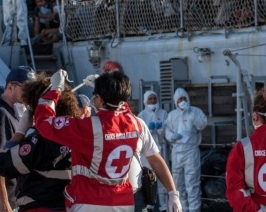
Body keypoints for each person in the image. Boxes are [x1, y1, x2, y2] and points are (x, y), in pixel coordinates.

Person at [34, 70, 182, 212]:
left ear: (99, 99)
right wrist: (173, 193)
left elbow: (44, 122)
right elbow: (155, 159)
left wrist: (54, 90)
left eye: (95, 95)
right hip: (123, 203)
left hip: (89, 201)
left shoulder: (86, 127)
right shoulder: (137, 124)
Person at [0, 74, 79, 212]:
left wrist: (20, 132)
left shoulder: (39, 142)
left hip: (39, 207)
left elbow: (4, 165)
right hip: (73, 206)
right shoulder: (81, 135)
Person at [0, 67, 36, 211]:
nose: (29, 93)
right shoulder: (1, 113)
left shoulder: (11, 109)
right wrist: (3, 201)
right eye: (26, 88)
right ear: (10, 87)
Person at [164, 88, 208, 212]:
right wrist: (171, 136)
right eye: (180, 99)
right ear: (175, 101)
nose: (182, 101)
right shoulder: (172, 115)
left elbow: (202, 125)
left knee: (192, 183)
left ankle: (194, 209)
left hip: (191, 151)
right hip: (176, 151)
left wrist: (192, 115)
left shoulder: (195, 111)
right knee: (178, 184)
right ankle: (182, 209)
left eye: (184, 98)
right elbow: (167, 129)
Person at [138, 90, 169, 211]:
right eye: (150, 99)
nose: (152, 101)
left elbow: (167, 129)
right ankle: (150, 205)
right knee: (148, 177)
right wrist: (150, 131)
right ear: (146, 101)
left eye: (154, 99)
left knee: (162, 176)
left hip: (162, 149)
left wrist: (160, 129)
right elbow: (141, 133)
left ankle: (164, 206)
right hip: (147, 152)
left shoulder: (164, 113)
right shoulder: (142, 115)